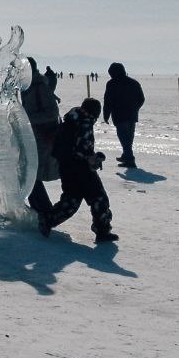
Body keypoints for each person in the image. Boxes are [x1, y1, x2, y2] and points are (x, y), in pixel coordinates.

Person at [41, 98, 118, 243]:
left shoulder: (71, 119)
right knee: (98, 198)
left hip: (66, 168)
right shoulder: (84, 122)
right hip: (81, 169)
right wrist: (94, 158)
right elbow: (82, 149)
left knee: (72, 200)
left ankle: (47, 220)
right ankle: (102, 230)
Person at [20, 57, 60, 214]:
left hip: (42, 138)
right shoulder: (27, 87)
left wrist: (27, 119)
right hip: (32, 137)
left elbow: (52, 113)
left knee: (30, 173)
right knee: (28, 172)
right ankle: (40, 208)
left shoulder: (40, 87)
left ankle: (43, 209)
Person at [102, 62, 145, 169]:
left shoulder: (112, 84)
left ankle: (130, 160)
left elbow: (108, 101)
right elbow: (141, 99)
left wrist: (106, 115)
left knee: (124, 138)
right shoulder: (133, 82)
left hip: (120, 115)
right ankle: (125, 156)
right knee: (128, 138)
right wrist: (135, 108)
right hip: (131, 115)